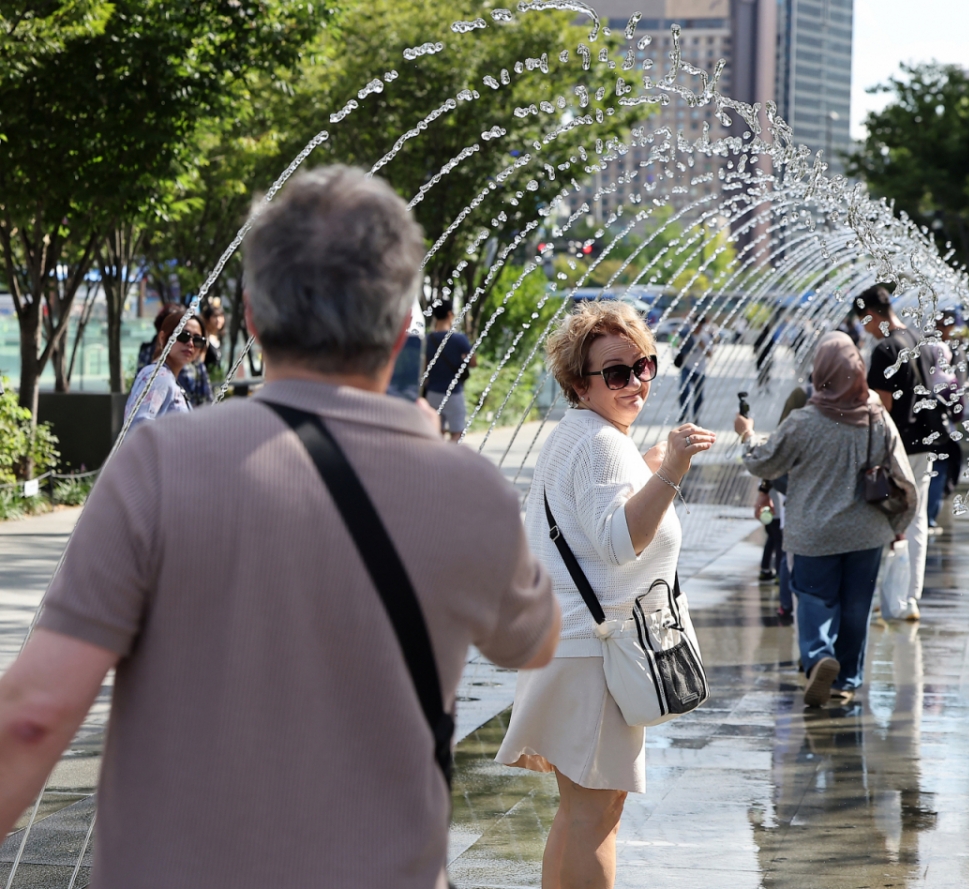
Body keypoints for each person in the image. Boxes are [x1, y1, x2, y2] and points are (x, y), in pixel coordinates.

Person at [0, 165, 560, 889]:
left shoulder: (160, 465)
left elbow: (35, 715)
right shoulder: (468, 489)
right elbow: (536, 638)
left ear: (255, 320)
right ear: (399, 331)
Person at [496, 300, 715, 889]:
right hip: (595, 654)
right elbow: (620, 542)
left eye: (642, 366)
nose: (634, 382)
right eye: (615, 373)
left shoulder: (582, 435)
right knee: (596, 815)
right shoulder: (599, 443)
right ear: (578, 382)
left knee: (581, 813)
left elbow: (595, 521)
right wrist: (670, 468)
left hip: (575, 649)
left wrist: (644, 467)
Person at [735, 331, 916, 708]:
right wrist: (899, 524)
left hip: (813, 532)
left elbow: (762, 461)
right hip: (866, 533)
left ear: (821, 373)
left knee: (815, 599)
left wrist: (747, 435)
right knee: (856, 607)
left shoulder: (804, 421)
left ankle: (819, 657)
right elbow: (903, 477)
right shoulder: (877, 418)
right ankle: (846, 680)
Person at [853, 285, 951, 621]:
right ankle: (909, 598)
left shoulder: (884, 348)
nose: (864, 328)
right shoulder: (916, 339)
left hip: (898, 445)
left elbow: (883, 404)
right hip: (927, 438)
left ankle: (890, 595)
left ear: (871, 314)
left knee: (887, 515)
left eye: (864, 321)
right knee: (918, 517)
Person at [753, 385, 809, 623]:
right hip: (800, 508)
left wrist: (763, 490)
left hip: (788, 505)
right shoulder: (805, 432)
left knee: (784, 549)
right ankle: (790, 603)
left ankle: (787, 605)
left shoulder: (783, 431)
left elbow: (769, 458)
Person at [123, 306, 206, 430]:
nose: (191, 343)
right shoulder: (158, 375)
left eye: (198, 340)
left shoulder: (167, 377)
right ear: (163, 338)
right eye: (183, 336)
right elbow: (139, 429)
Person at [924, 311, 962, 532]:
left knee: (926, 473)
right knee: (938, 471)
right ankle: (929, 517)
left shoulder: (925, 372)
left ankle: (922, 517)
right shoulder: (948, 379)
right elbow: (957, 410)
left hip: (922, 430)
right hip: (942, 431)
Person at [423, 302, 475, 440]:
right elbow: (474, 362)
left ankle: (435, 460)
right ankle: (450, 461)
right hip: (454, 393)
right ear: (450, 314)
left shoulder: (428, 340)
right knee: (457, 434)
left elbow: (424, 367)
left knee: (435, 433)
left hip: (433, 393)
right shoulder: (459, 339)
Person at [676, 315, 714, 422]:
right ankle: (684, 412)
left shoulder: (705, 338)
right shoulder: (687, 335)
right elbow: (677, 345)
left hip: (700, 370)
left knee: (698, 395)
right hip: (686, 367)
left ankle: (696, 415)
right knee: (683, 390)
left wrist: (702, 345)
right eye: (695, 324)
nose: (697, 327)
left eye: (699, 325)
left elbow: (710, 354)